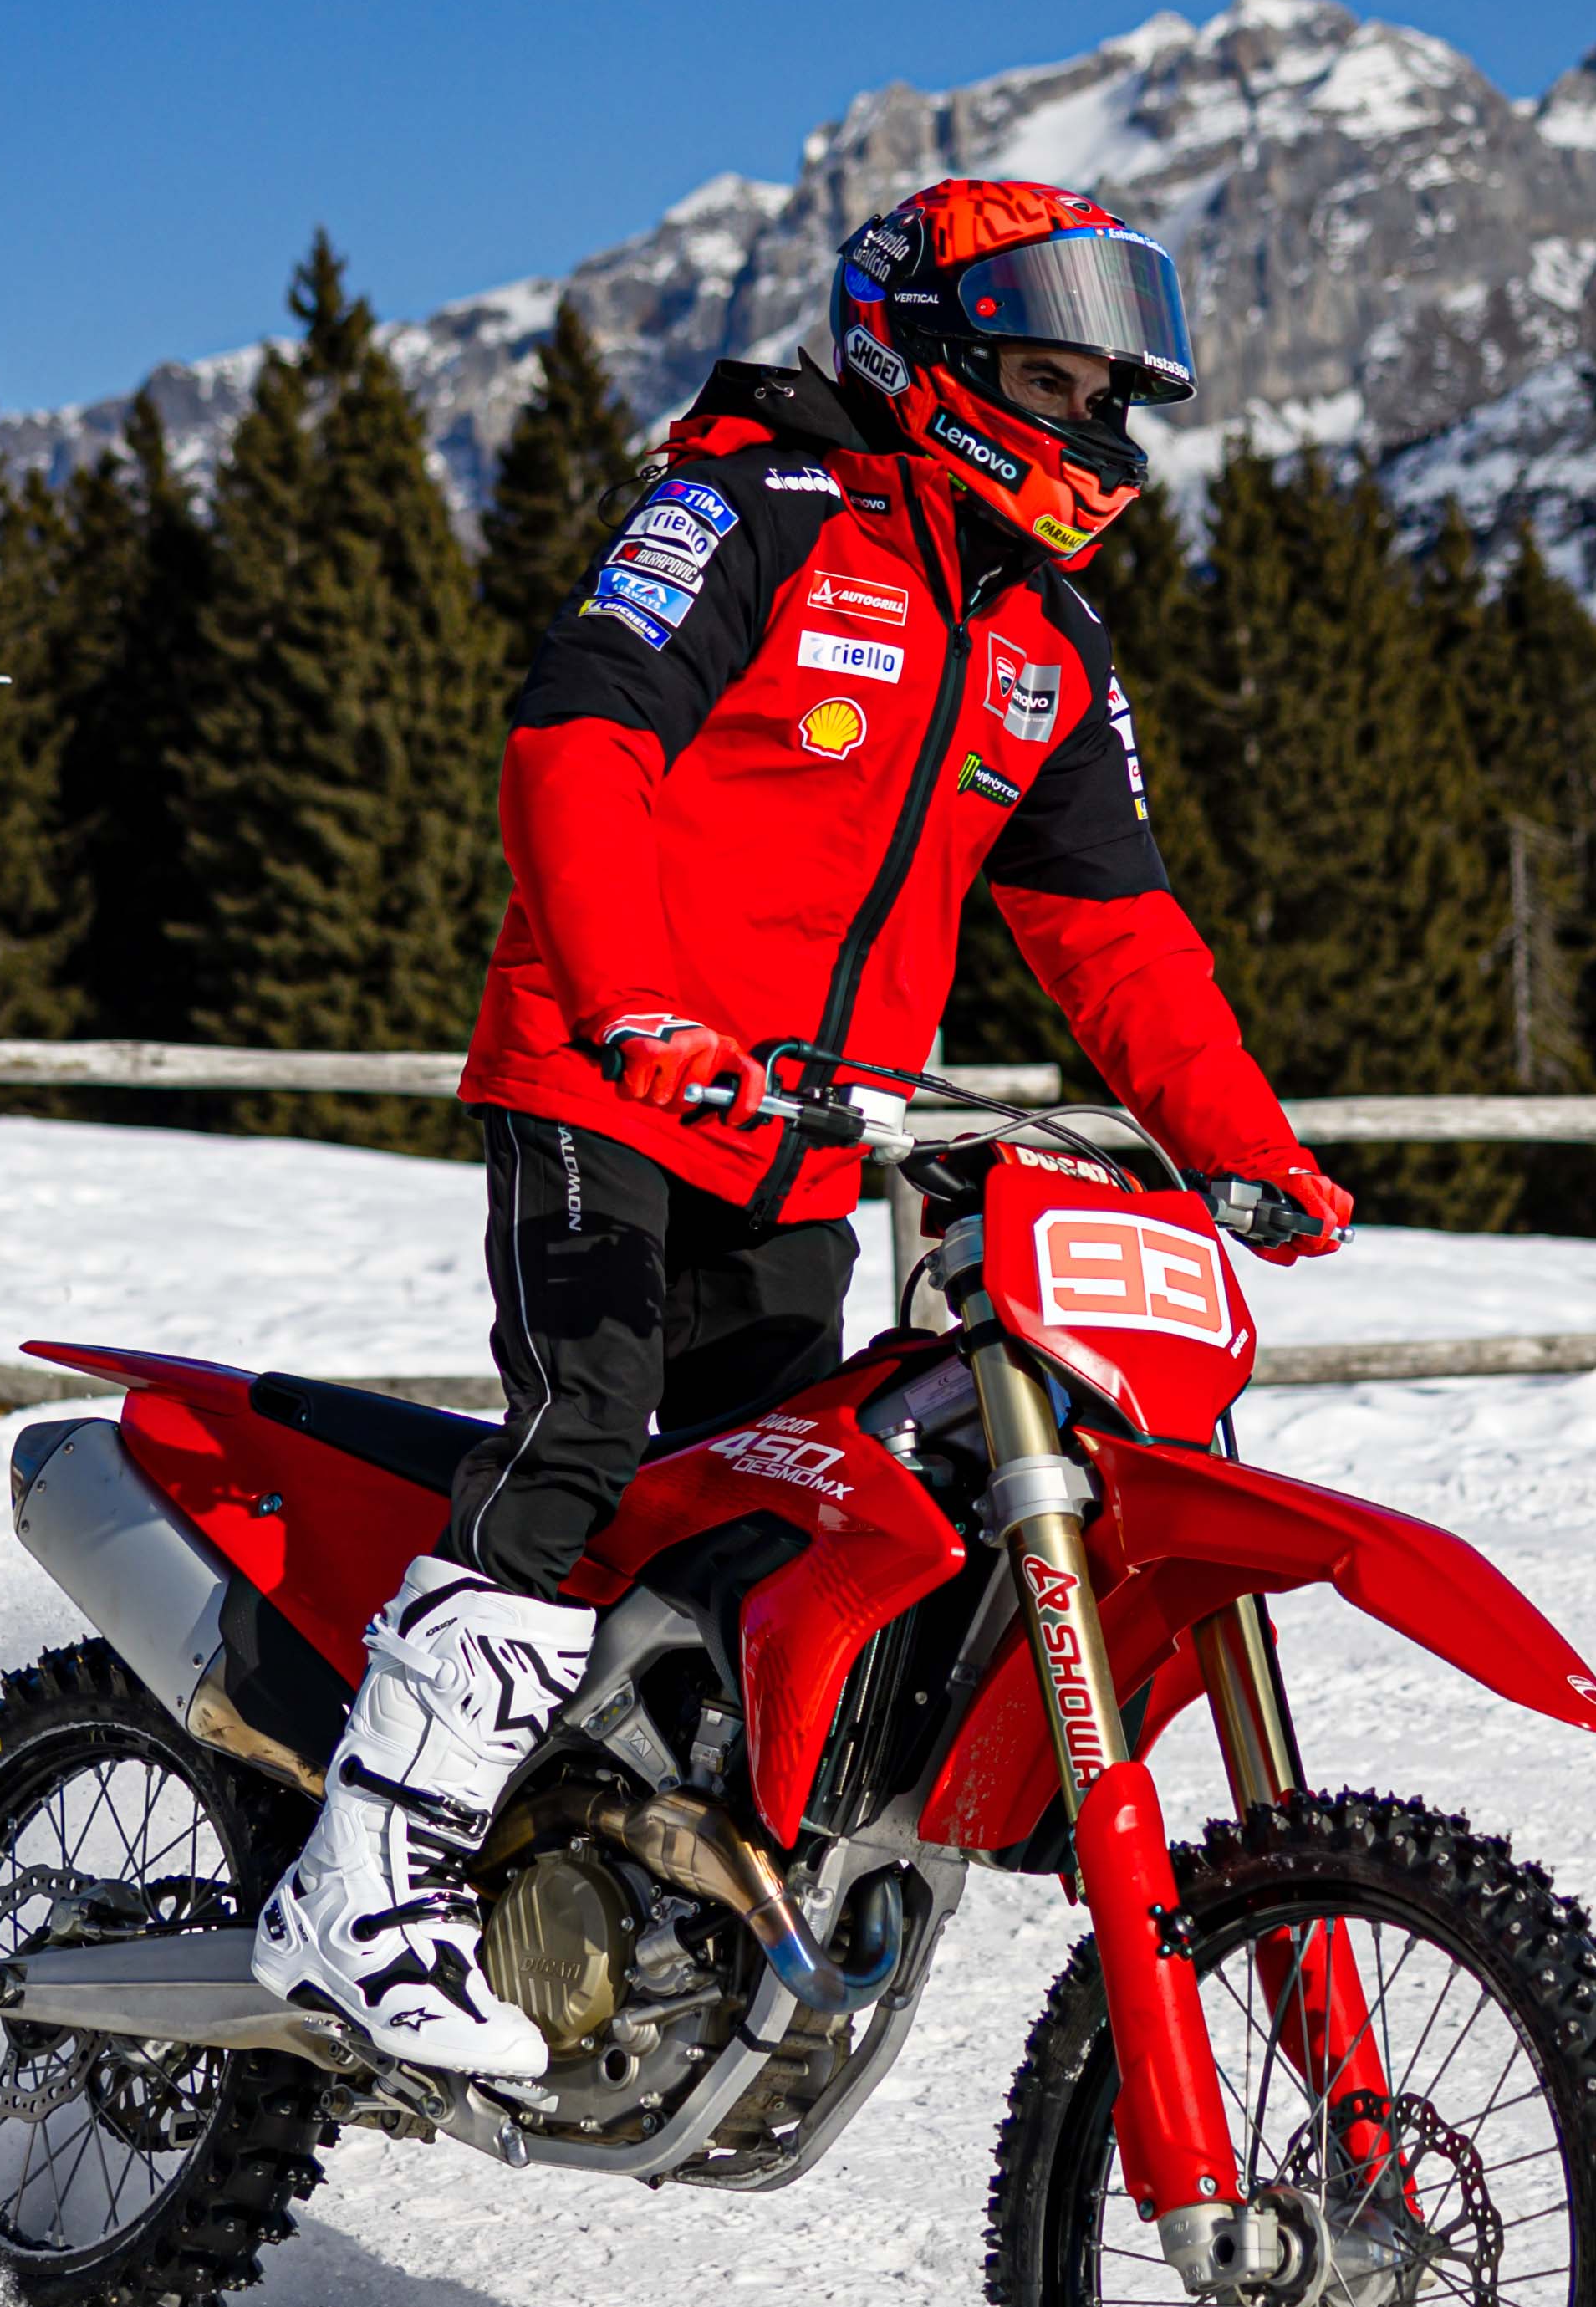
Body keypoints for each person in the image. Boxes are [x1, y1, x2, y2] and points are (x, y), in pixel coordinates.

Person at [253, 176, 1357, 2073]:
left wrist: (1237, 1139)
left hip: (803, 1140)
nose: (1090, 423)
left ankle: (644, 1879)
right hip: (610, 1079)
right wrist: (635, 1007)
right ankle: (368, 1870)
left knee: (781, 1504)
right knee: (584, 1447)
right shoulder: (751, 509)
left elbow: (1113, 927)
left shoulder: (1049, 644)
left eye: (1115, 391)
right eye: (1047, 372)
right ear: (919, 346)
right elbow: (577, 736)